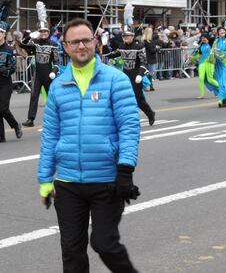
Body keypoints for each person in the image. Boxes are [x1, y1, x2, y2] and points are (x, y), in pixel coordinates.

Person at [38, 18, 140, 273]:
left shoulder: (115, 80)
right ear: (65, 46)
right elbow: (50, 135)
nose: (81, 46)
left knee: (104, 243)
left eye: (86, 40)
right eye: (75, 42)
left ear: (95, 42)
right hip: (69, 183)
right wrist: (45, 180)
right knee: (72, 252)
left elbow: (129, 127)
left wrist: (125, 170)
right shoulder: (59, 86)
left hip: (106, 181)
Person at [19, 1, 59, 127]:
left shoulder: (53, 44)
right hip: (37, 74)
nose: (43, 34)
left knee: (52, 98)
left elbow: (57, 61)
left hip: (48, 74)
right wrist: (28, 36)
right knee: (33, 96)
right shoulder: (35, 42)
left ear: (48, 32)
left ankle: (58, 118)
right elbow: (23, 46)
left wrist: (54, 72)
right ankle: (30, 119)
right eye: (41, 32)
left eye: (45, 32)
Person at [0, 2, 22, 143]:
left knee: (3, 108)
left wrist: (0, 70)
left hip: (6, 83)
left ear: (3, 34)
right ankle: (0, 135)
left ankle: (15, 125)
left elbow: (12, 68)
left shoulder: (9, 49)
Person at [106, 25, 156, 125]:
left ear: (132, 37)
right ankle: (126, 118)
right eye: (125, 36)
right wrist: (104, 45)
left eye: (128, 36)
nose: (126, 38)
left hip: (136, 73)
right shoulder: (121, 47)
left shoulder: (139, 47)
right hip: (126, 73)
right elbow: (110, 55)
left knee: (138, 98)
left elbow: (144, 62)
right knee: (123, 96)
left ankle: (150, 113)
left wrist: (140, 74)